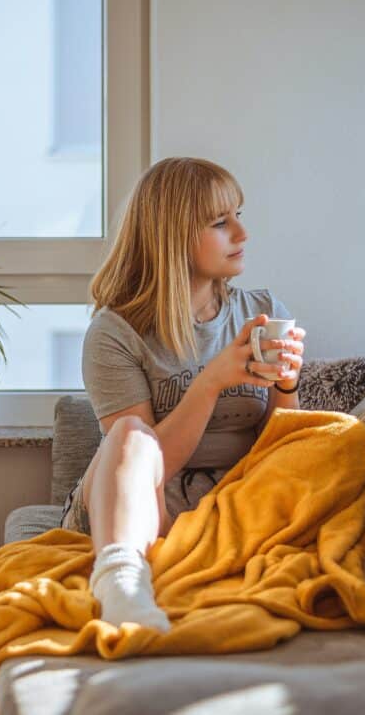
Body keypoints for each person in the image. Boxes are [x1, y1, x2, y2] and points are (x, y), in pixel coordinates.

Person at [60, 157, 307, 632]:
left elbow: (281, 452)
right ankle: (121, 581)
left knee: (338, 441)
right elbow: (148, 463)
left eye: (239, 214)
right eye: (220, 222)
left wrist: (286, 385)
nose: (242, 233)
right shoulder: (115, 333)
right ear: (172, 236)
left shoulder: (262, 311)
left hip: (230, 500)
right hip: (135, 501)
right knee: (131, 433)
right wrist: (211, 382)